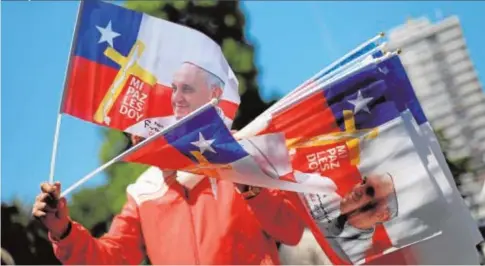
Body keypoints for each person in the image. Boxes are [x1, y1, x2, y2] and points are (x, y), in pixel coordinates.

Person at [32, 61, 304, 265]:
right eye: (130, 126)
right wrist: (63, 231)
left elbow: (291, 230)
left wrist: (248, 185)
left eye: (146, 117)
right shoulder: (142, 193)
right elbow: (111, 259)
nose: (136, 132)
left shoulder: (241, 148)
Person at [279, 170, 398, 264]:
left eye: (369, 191)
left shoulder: (357, 255)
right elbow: (280, 177)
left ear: (381, 214)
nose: (358, 189)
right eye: (363, 182)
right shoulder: (322, 189)